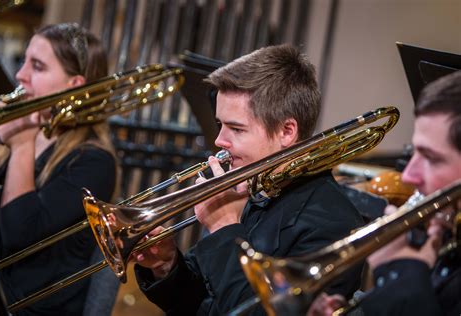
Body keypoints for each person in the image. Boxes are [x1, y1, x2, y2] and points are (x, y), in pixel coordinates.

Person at [132, 44, 365, 315]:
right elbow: (203, 304)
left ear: (286, 131)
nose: (219, 140)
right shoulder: (258, 187)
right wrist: (166, 265)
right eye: (221, 125)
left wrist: (223, 228)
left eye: (236, 128)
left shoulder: (333, 226)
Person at [0, 23, 119, 315]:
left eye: (38, 66)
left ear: (73, 86)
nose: (20, 75)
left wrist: (22, 145)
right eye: (24, 61)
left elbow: (18, 235)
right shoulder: (22, 134)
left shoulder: (93, 161)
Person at [310, 70, 461, 316]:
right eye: (415, 153)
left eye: (431, 158)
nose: (408, 176)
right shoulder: (444, 235)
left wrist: (399, 274)